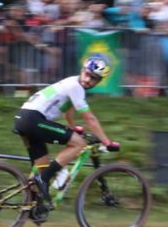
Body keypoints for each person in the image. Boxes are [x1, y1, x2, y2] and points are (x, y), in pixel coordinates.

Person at [12, 55, 118, 210]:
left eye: (94, 79)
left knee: (41, 165)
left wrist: (73, 127)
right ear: (82, 70)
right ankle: (45, 178)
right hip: (33, 119)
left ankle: (32, 206)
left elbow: (68, 110)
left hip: (24, 117)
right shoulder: (76, 87)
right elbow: (90, 118)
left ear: (98, 82)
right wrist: (106, 142)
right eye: (88, 74)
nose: (88, 80)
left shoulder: (72, 83)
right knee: (79, 144)